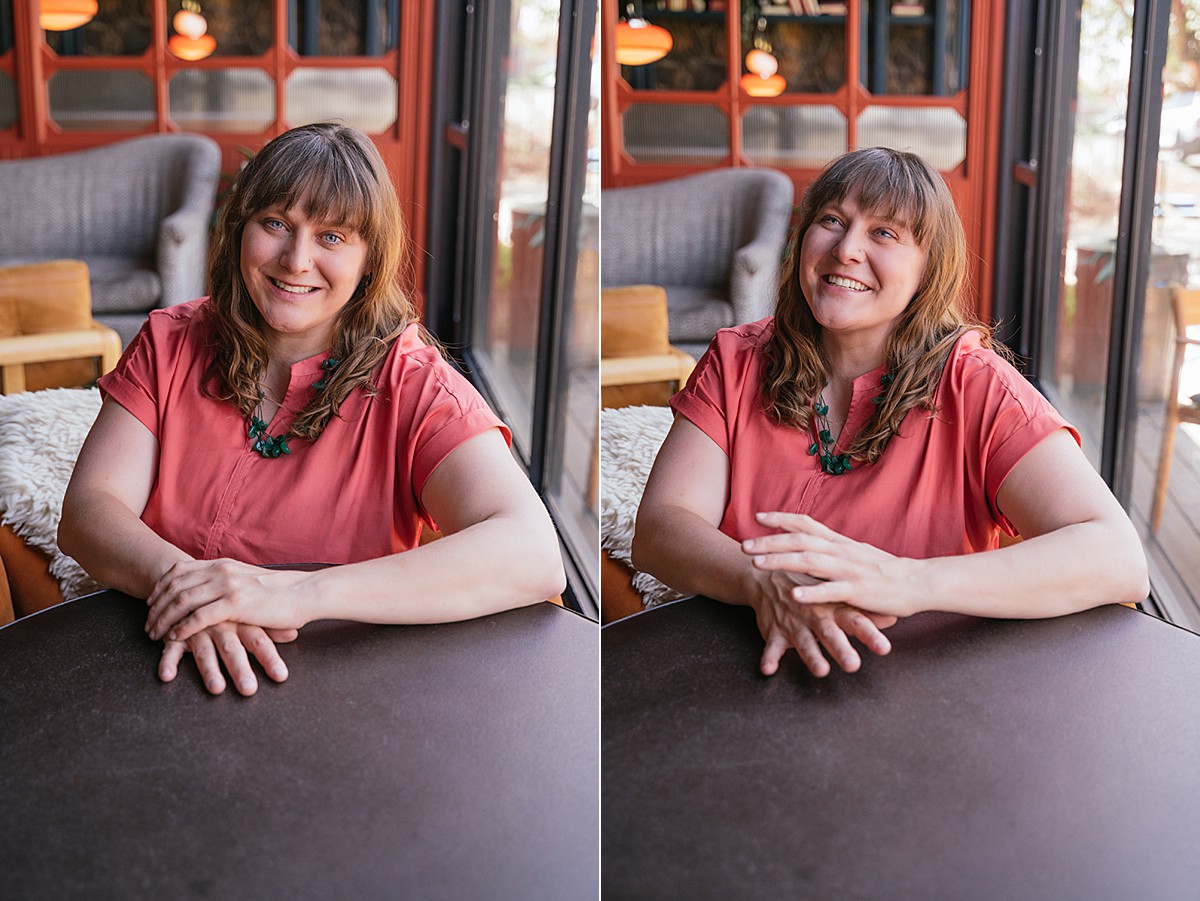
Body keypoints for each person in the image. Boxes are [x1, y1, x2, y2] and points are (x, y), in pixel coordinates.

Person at [59, 123, 565, 696]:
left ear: (371, 259)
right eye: (275, 224)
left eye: (333, 237)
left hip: (333, 684)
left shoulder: (416, 386)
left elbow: (535, 553)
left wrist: (291, 594)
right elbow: (87, 511)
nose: (296, 260)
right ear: (239, 230)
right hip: (155, 654)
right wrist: (198, 591)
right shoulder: (170, 340)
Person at [632, 147, 1148, 679]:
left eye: (885, 233)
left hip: (923, 683)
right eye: (832, 220)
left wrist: (907, 581)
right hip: (744, 665)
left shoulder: (977, 386)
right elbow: (660, 529)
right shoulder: (738, 357)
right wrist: (759, 581)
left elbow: (1118, 557)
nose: (847, 249)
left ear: (930, 269)